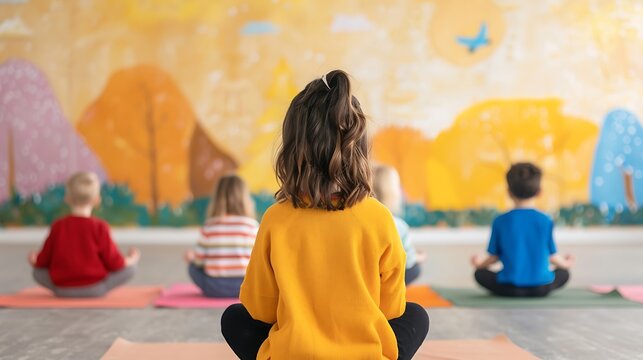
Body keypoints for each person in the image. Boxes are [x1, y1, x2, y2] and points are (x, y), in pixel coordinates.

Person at [221, 70, 429, 360]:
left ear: (292, 149)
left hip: (293, 353)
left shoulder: (275, 219)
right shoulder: (379, 218)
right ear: (359, 150)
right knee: (417, 315)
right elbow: (391, 309)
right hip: (365, 353)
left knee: (233, 318)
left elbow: (260, 310)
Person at [28, 172, 140, 298]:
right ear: (97, 200)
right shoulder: (100, 227)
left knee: (37, 272)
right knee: (132, 269)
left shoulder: (57, 226)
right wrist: (131, 259)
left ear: (67, 198)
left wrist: (34, 260)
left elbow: (43, 261)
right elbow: (115, 262)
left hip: (62, 289)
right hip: (95, 288)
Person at [471, 162, 575, 297]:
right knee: (564, 274)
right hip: (540, 288)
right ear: (539, 192)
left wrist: (479, 264)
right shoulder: (545, 220)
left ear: (508, 192)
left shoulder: (500, 221)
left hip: (509, 288)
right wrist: (566, 263)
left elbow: (494, 257)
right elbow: (552, 255)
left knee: (479, 274)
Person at [184, 174, 259, 298]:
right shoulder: (252, 226)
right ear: (245, 199)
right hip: (245, 286)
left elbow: (199, 262)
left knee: (192, 267)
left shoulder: (210, 226)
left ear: (217, 198)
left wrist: (191, 259)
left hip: (213, 287)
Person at [373, 165, 426, 284]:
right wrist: (419, 257)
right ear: (392, 192)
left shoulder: (363, 221)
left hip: (368, 279)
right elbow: (408, 260)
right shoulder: (398, 225)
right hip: (387, 280)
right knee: (415, 268)